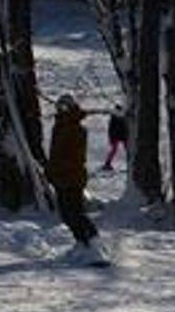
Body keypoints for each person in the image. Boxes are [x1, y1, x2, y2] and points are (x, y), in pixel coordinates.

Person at [47, 94, 103, 258]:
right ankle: (81, 243)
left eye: (64, 107)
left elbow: (75, 156)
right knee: (65, 214)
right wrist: (51, 169)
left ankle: (94, 243)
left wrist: (59, 166)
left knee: (75, 213)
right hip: (60, 178)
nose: (61, 110)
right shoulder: (59, 127)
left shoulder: (77, 129)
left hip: (72, 177)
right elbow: (55, 152)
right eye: (59, 107)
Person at [103, 104, 128, 171]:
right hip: (117, 136)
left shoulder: (122, 117)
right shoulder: (115, 118)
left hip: (121, 136)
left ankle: (107, 163)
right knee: (114, 150)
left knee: (125, 149)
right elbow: (111, 129)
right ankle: (107, 163)